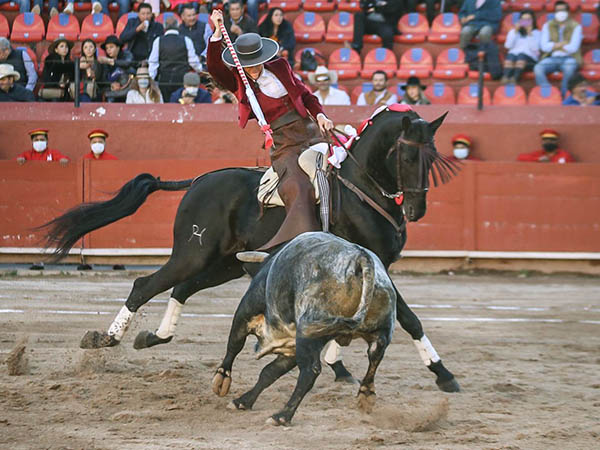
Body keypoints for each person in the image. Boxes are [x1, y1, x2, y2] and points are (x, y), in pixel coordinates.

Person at [207, 10, 335, 259]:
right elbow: (213, 67)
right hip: (283, 143)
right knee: (298, 185)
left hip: (310, 131)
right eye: (248, 64)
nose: (253, 68)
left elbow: (305, 95)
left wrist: (320, 115)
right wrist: (217, 32)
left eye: (257, 62)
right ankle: (296, 244)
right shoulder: (238, 81)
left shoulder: (280, 66)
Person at [534, 1, 583, 97]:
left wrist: (553, 46)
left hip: (570, 58)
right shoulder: (548, 25)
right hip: (551, 58)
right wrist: (562, 44)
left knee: (569, 68)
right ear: (555, 12)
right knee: (538, 68)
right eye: (558, 10)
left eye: (563, 10)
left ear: (568, 12)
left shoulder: (576, 26)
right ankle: (550, 95)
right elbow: (544, 47)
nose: (560, 12)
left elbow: (573, 48)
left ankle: (564, 96)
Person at [149, 16, 202, 101]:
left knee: (166, 104)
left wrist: (151, 79)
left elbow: (153, 63)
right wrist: (201, 70)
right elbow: (193, 62)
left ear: (164, 27)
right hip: (181, 79)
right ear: (178, 26)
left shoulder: (158, 40)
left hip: (164, 80)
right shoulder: (186, 40)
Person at [501, 9, 541, 84]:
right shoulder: (513, 32)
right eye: (523, 19)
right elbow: (507, 46)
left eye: (528, 19)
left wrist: (530, 34)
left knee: (521, 55)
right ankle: (506, 77)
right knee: (511, 55)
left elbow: (535, 49)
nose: (526, 22)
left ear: (533, 21)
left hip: (530, 60)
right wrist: (515, 31)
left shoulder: (537, 33)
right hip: (514, 58)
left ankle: (514, 79)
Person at [40, 38, 75, 102]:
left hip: (65, 93)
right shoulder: (50, 60)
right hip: (52, 91)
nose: (65, 49)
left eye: (66, 47)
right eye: (62, 46)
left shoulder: (70, 62)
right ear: (56, 50)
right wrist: (58, 84)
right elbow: (47, 78)